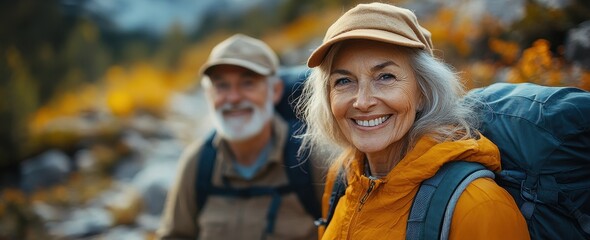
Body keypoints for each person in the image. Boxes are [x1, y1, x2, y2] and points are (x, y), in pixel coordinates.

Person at [297, 3, 530, 239]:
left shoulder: (478, 205)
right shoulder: (343, 177)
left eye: (385, 77)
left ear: (423, 92)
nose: (363, 102)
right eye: (344, 81)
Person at [157, 34, 324, 240]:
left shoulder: (312, 158)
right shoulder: (198, 163)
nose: (234, 98)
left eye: (247, 83)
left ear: (275, 91)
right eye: (222, 86)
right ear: (209, 94)